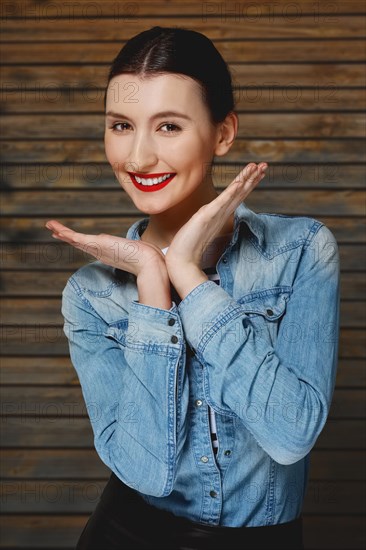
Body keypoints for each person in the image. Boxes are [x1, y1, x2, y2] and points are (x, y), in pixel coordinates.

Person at [45, 26, 340, 550]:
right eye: (120, 125)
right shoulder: (91, 295)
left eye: (168, 126)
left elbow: (291, 435)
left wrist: (188, 275)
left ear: (223, 133)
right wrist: (153, 286)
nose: (137, 158)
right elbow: (146, 472)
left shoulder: (300, 251)